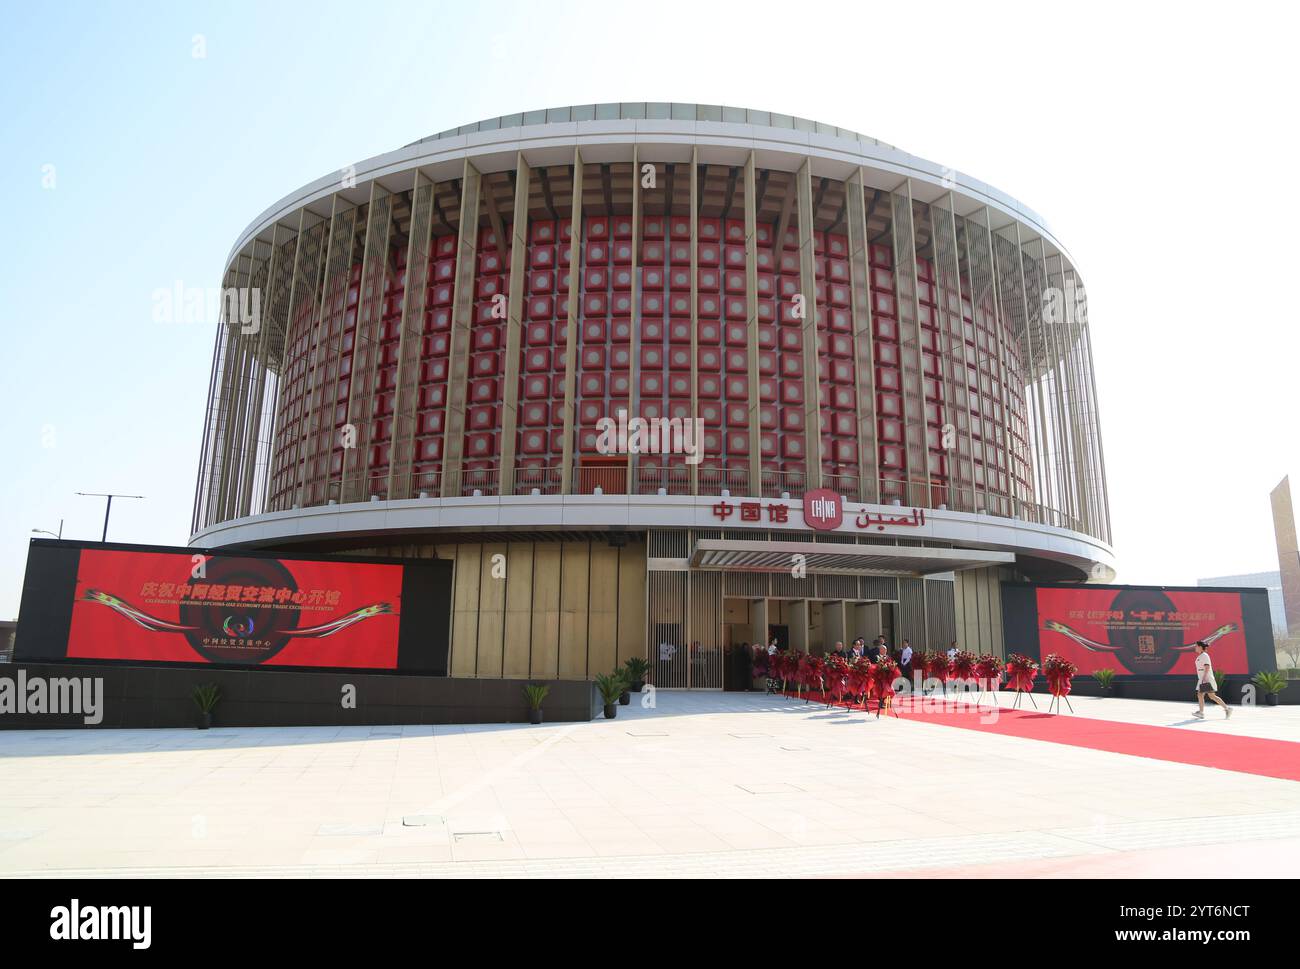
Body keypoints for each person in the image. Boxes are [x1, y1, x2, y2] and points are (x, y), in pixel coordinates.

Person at [1193, 640, 1232, 720]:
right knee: (1211, 696)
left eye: (1196, 646)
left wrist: (1204, 679)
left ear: (1200, 647)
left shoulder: (1204, 655)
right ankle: (1227, 709)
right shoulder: (1201, 656)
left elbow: (1207, 667)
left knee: (1202, 694)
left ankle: (1201, 712)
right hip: (1203, 678)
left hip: (1206, 679)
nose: (1195, 647)